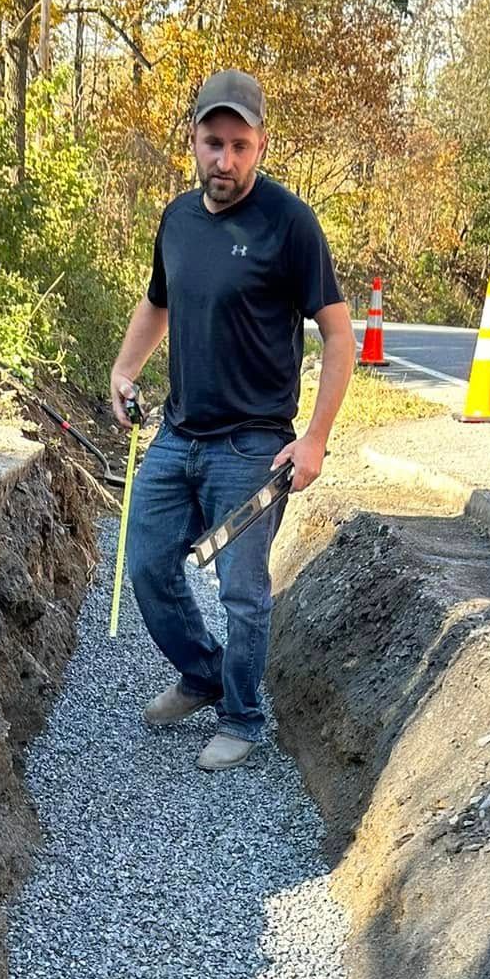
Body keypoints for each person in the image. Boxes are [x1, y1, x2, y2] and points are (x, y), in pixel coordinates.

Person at [110, 70, 355, 771]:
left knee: (242, 591)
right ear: (192, 140)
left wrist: (314, 439)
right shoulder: (177, 219)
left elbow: (339, 336)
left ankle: (243, 716)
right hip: (178, 433)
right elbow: (157, 303)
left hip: (252, 445)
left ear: (261, 145)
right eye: (213, 143)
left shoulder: (289, 223)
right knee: (150, 565)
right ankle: (205, 674)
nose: (226, 160)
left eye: (240, 145)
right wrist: (124, 370)